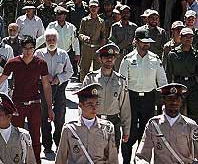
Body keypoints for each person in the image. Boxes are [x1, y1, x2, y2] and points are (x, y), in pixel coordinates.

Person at [0, 36, 54, 163]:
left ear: (34, 48)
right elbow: (0, 80)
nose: (28, 51)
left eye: (31, 48)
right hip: (17, 105)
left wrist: (49, 108)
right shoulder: (13, 62)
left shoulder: (41, 63)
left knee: (35, 139)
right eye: (25, 48)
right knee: (15, 137)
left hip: (35, 104)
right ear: (21, 49)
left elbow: (46, 86)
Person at [119, 33, 168, 164]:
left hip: (149, 99)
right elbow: (122, 83)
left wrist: (165, 101)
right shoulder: (127, 59)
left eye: (148, 42)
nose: (146, 44)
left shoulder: (155, 59)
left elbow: (162, 81)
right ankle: (126, 161)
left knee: (146, 134)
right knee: (129, 133)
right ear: (136, 41)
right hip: (131, 99)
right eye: (143, 41)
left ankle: (141, 161)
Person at [82, 43, 131, 150]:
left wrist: (126, 130)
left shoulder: (121, 81)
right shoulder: (90, 79)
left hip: (113, 123)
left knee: (112, 157)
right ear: (100, 59)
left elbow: (125, 107)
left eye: (112, 57)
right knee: (93, 155)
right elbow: (82, 104)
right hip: (94, 121)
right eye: (106, 57)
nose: (109, 59)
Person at [55, 83, 118, 163]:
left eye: (96, 104)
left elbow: (113, 158)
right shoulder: (70, 129)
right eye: (90, 104)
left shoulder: (106, 128)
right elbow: (61, 157)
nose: (94, 108)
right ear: (80, 105)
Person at [135, 83, 198, 163]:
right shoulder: (153, 125)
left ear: (181, 101)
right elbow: (142, 156)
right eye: (170, 98)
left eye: (177, 98)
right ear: (163, 100)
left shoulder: (191, 126)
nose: (174, 102)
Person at [34, 29, 73, 154]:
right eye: (49, 40)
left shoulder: (63, 54)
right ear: (45, 41)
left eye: (53, 40)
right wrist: (45, 77)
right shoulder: (39, 54)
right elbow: (34, 70)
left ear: (57, 40)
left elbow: (70, 71)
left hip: (59, 88)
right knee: (44, 116)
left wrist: (59, 78)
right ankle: (47, 145)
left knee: (60, 116)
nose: (51, 42)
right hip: (43, 87)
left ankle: (59, 143)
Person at [165, 27, 198, 120]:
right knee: (176, 111)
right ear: (180, 37)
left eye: (190, 36)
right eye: (185, 36)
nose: (188, 39)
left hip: (193, 85)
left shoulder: (196, 54)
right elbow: (168, 73)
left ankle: (194, 133)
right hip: (178, 85)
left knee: (194, 112)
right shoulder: (173, 54)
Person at [78, 0, 107, 81]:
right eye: (91, 7)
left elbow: (103, 35)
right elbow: (80, 34)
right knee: (84, 69)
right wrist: (84, 37)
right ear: (88, 8)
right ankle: (83, 87)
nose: (93, 9)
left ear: (98, 8)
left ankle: (96, 86)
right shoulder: (84, 20)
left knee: (97, 69)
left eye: (95, 7)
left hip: (97, 48)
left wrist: (102, 47)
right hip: (87, 47)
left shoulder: (101, 22)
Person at [109, 4, 137, 70]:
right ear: (120, 14)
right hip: (119, 54)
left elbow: (136, 41)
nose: (126, 14)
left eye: (127, 12)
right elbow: (112, 41)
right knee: (118, 74)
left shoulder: (134, 27)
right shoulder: (115, 26)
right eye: (124, 12)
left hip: (130, 54)